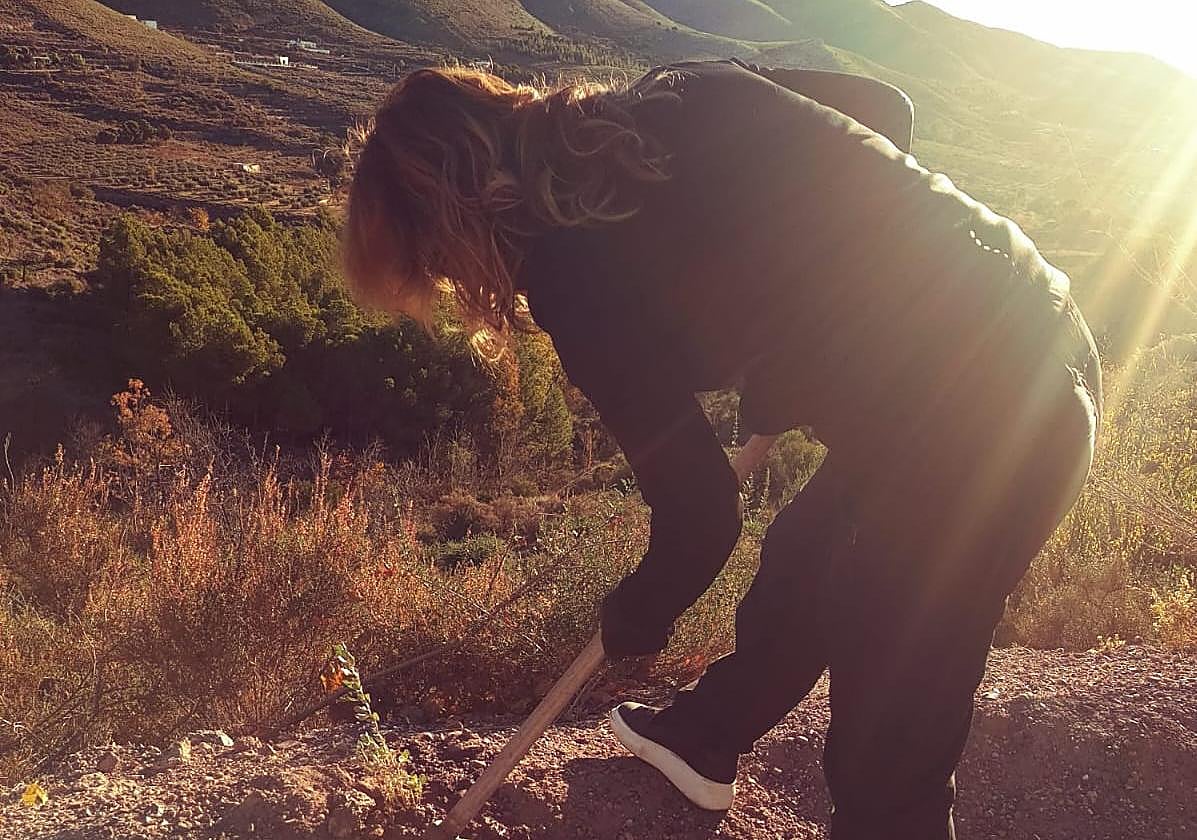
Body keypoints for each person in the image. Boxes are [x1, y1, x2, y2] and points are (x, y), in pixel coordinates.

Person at [344, 59, 1102, 840]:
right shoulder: (684, 88)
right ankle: (705, 736)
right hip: (1040, 342)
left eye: (435, 263)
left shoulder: (572, 275)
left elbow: (701, 517)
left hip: (975, 434)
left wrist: (637, 614)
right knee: (805, 552)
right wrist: (817, 311)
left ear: (450, 221)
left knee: (888, 740)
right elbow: (884, 106)